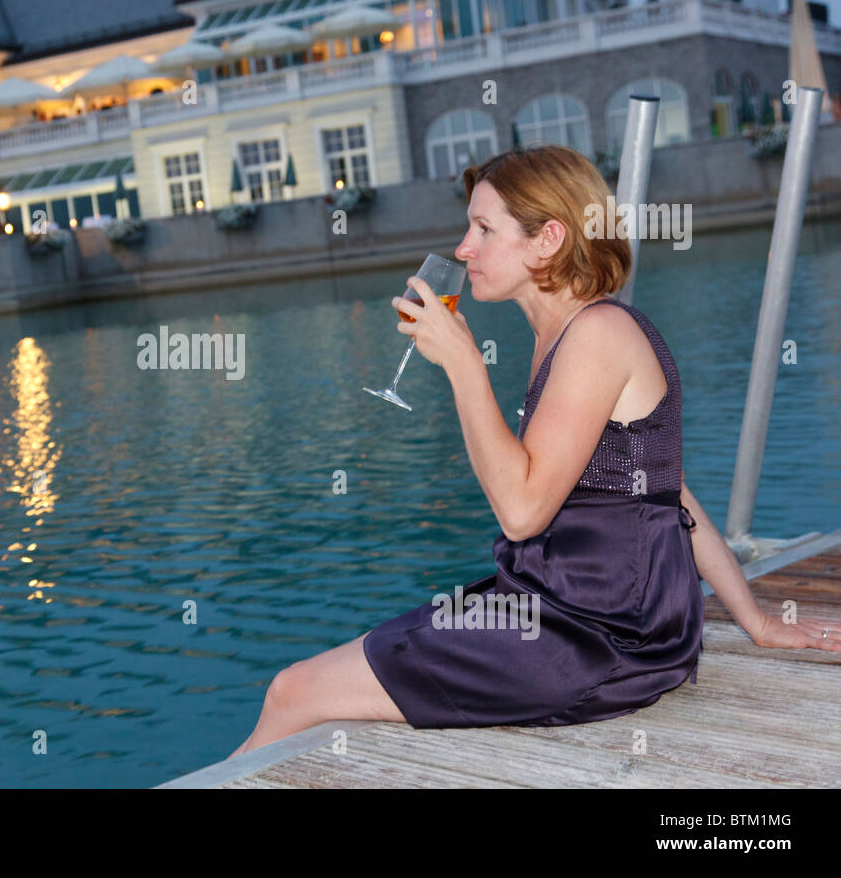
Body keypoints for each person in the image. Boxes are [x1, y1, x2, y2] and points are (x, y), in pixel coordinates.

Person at [228, 144, 841, 758]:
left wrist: (466, 368)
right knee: (352, 659)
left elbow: (522, 514)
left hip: (596, 635)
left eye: (484, 229)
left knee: (293, 690)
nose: (464, 248)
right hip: (581, 609)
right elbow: (668, 490)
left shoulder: (597, 334)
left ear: (547, 239)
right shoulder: (566, 332)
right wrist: (756, 621)